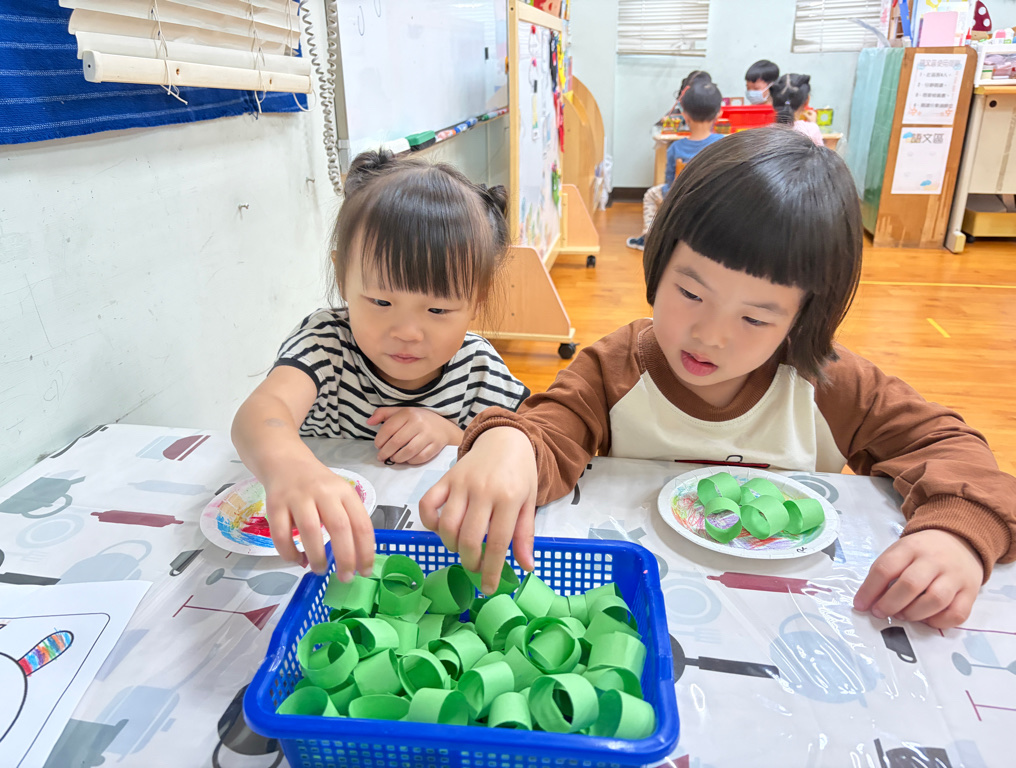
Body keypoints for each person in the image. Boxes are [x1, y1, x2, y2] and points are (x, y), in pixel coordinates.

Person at [419, 128, 1016, 630]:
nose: (709, 335)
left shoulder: (827, 383)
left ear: (803, 318)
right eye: (690, 292)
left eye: (754, 318)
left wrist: (957, 535)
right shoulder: (617, 367)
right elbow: (552, 426)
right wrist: (510, 441)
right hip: (641, 611)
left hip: (790, 619)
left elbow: (950, 447)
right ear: (658, 263)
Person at [232, 149, 530, 579]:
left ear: (476, 302)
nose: (407, 332)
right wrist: (290, 467)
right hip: (319, 559)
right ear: (342, 277)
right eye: (381, 302)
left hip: (433, 561)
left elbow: (528, 444)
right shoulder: (326, 344)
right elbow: (261, 412)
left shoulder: (478, 369)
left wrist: (453, 436)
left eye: (438, 310)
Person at [628, 78, 723, 251]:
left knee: (651, 195)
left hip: (681, 201)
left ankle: (649, 238)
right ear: (719, 114)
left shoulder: (675, 148)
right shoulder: (723, 143)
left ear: (684, 115)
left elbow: (670, 182)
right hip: (714, 201)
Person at [770, 73, 824, 147]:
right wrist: (813, 124)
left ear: (774, 102)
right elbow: (820, 152)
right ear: (807, 101)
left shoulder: (768, 131)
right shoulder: (811, 130)